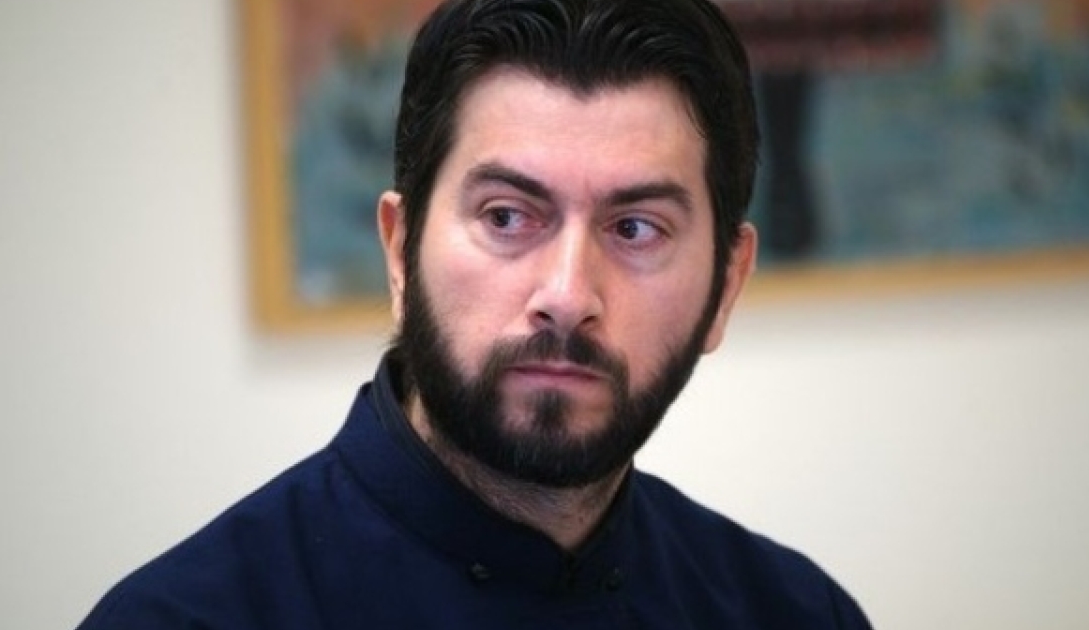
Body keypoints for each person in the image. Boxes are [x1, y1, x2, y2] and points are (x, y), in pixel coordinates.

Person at [77, 0, 874, 627]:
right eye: (507, 216)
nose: (568, 295)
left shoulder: (796, 613)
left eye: (635, 229)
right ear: (400, 250)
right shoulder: (185, 619)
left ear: (726, 286)